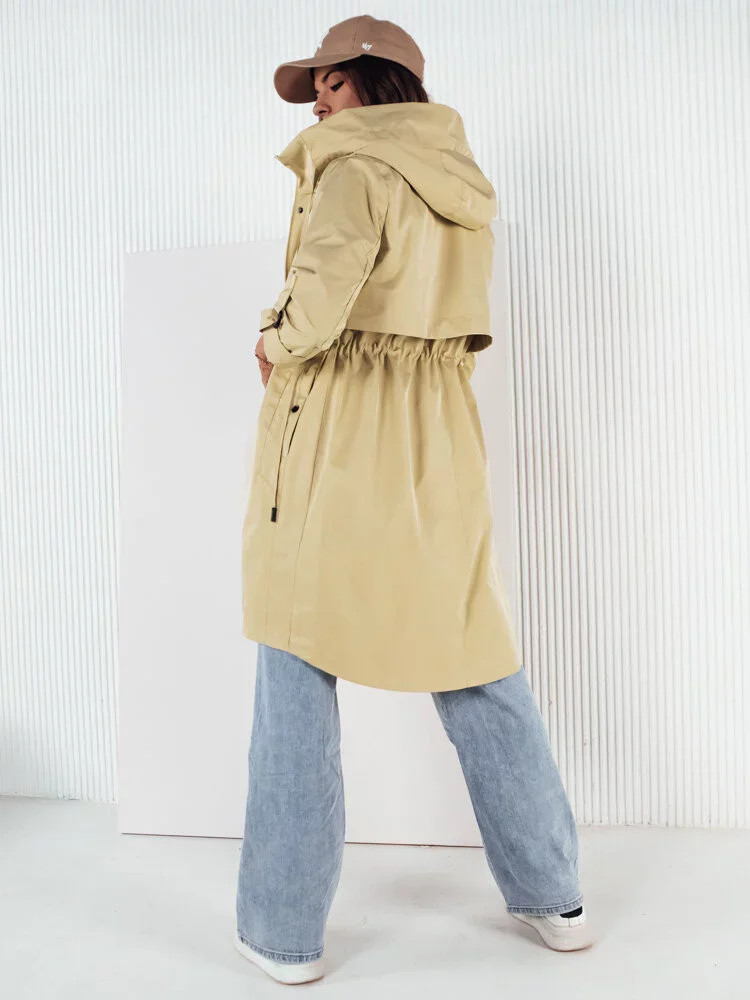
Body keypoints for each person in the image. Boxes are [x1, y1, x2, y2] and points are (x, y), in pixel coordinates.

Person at [235, 15, 595, 986]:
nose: (320, 102)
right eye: (316, 89)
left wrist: (272, 338)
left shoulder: (351, 166)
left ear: (376, 80)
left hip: (341, 433)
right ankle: (554, 894)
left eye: (332, 83)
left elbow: (321, 299)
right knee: (471, 653)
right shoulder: (462, 183)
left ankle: (283, 931)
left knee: (294, 656)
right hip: (439, 435)